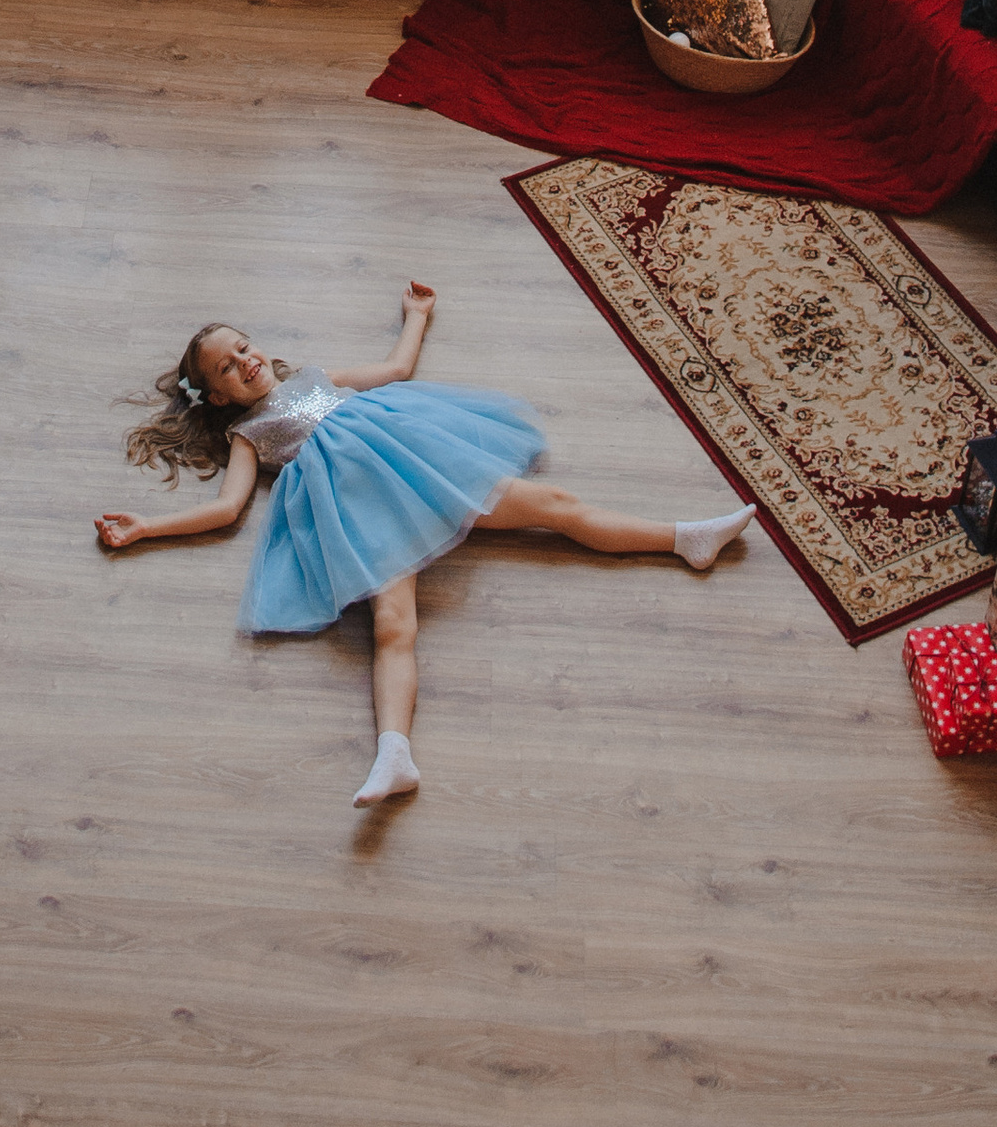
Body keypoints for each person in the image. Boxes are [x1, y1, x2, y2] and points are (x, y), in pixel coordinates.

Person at [94, 282, 754, 807]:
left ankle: (684, 538)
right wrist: (147, 527)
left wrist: (416, 313)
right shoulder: (249, 433)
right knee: (394, 625)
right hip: (364, 516)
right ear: (215, 394)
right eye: (228, 368)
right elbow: (227, 508)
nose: (246, 362)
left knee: (555, 506)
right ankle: (394, 753)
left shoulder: (317, 377)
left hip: (423, 470)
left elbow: (398, 367)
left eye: (244, 347)